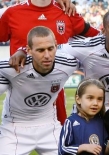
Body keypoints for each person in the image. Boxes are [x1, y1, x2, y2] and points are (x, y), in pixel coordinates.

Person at [0, 0, 99, 125]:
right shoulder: (11, 13)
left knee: (58, 141)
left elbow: (99, 38)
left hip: (54, 92)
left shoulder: (67, 11)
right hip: (19, 95)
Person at [0, 26, 78, 154]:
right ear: (29, 50)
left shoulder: (68, 64)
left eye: (50, 49)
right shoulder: (12, 66)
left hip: (49, 125)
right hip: (15, 127)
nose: (47, 55)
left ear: (56, 46)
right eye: (40, 50)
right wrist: (21, 50)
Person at [59, 79, 109, 155]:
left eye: (99, 99)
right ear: (78, 99)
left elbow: (103, 152)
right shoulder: (71, 122)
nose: (95, 103)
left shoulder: (102, 122)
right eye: (90, 98)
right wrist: (82, 147)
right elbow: (62, 149)